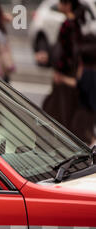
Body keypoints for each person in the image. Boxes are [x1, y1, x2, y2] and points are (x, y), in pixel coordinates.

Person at [43, 0, 94, 145]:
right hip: (71, 73)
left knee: (58, 113)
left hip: (65, 75)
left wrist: (59, 70)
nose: (58, 5)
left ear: (67, 5)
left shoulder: (68, 24)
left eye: (61, 2)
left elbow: (68, 52)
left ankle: (61, 145)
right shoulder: (78, 22)